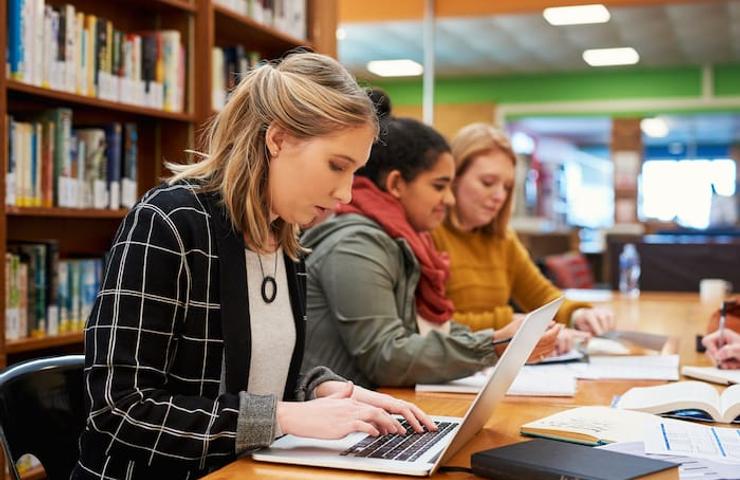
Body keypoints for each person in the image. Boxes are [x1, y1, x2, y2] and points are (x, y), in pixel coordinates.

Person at [72, 53, 435, 480]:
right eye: (337, 166)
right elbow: (120, 411)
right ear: (277, 139)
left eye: (354, 172)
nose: (346, 194)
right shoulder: (170, 222)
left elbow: (250, 376)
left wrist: (324, 390)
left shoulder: (286, 237)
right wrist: (284, 417)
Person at [301, 116, 560, 389]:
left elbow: (425, 330)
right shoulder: (358, 244)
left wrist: (496, 341)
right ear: (396, 184)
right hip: (340, 420)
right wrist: (494, 345)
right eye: (439, 186)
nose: (448, 199)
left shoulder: (401, 240)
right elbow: (386, 357)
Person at [431, 123, 615, 355]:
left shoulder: (503, 239)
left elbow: (541, 294)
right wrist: (515, 323)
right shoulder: (430, 234)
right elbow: (433, 324)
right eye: (487, 183)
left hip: (494, 366)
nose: (499, 196)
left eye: (507, 187)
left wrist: (579, 314)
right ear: (453, 178)